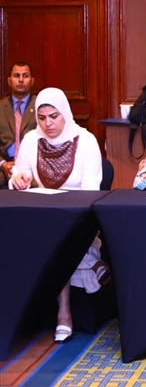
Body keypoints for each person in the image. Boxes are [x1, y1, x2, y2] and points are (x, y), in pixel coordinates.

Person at [9, 87, 108, 344]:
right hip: (43, 216)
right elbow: (19, 174)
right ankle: (91, 262)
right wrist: (18, 180)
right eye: (42, 118)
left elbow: (91, 191)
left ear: (65, 113)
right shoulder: (31, 140)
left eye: (54, 116)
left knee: (58, 241)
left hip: (79, 218)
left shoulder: (85, 140)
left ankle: (64, 313)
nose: (48, 124)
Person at [1, 62, 37, 187]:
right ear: (9, 81)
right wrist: (2, 163)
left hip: (33, 166)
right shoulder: (1, 107)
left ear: (32, 81)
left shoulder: (40, 106)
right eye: (16, 75)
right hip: (5, 165)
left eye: (25, 76)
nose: (21, 80)